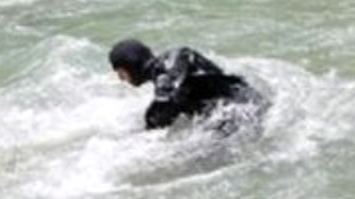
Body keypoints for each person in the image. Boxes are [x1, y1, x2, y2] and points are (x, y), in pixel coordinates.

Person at [109, 38, 266, 131]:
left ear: (130, 67)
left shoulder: (173, 58)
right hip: (237, 115)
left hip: (247, 107)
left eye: (120, 73)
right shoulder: (160, 95)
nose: (122, 79)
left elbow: (180, 62)